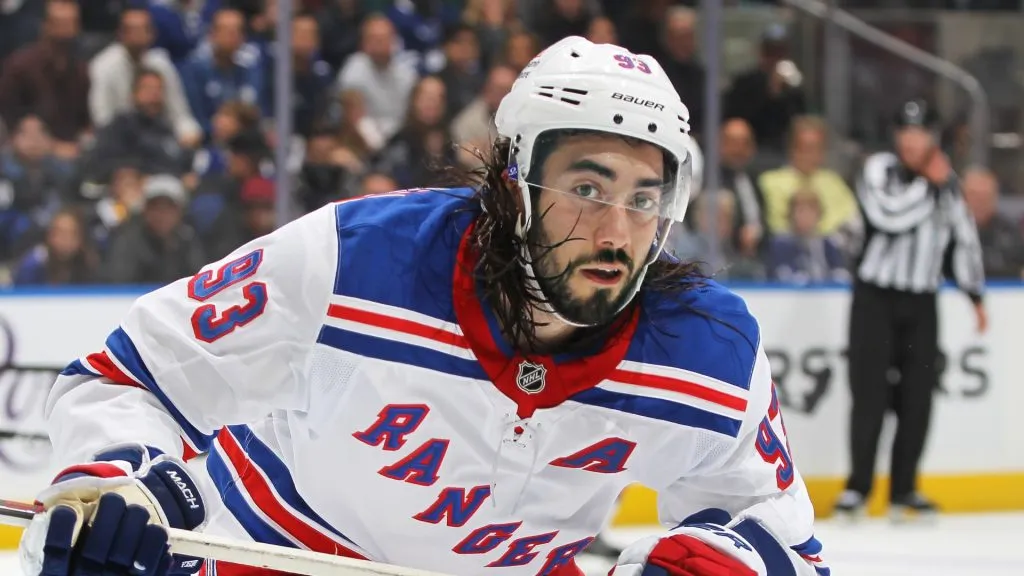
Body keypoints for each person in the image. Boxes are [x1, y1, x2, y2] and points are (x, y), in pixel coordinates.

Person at [19, 37, 827, 576]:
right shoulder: (357, 256)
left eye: (644, 197)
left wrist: (719, 559)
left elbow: (776, 526)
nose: (618, 230)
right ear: (513, 184)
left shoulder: (706, 349)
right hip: (273, 550)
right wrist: (118, 476)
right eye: (586, 188)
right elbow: (130, 377)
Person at [836, 99, 987, 522]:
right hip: (875, 299)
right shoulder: (878, 170)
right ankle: (857, 488)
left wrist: (975, 294)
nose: (911, 140)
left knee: (917, 398)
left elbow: (963, 235)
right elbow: (888, 215)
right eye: (904, 131)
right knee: (869, 395)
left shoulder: (947, 182)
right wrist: (931, 184)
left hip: (922, 301)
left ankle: (905, 489)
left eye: (919, 132)